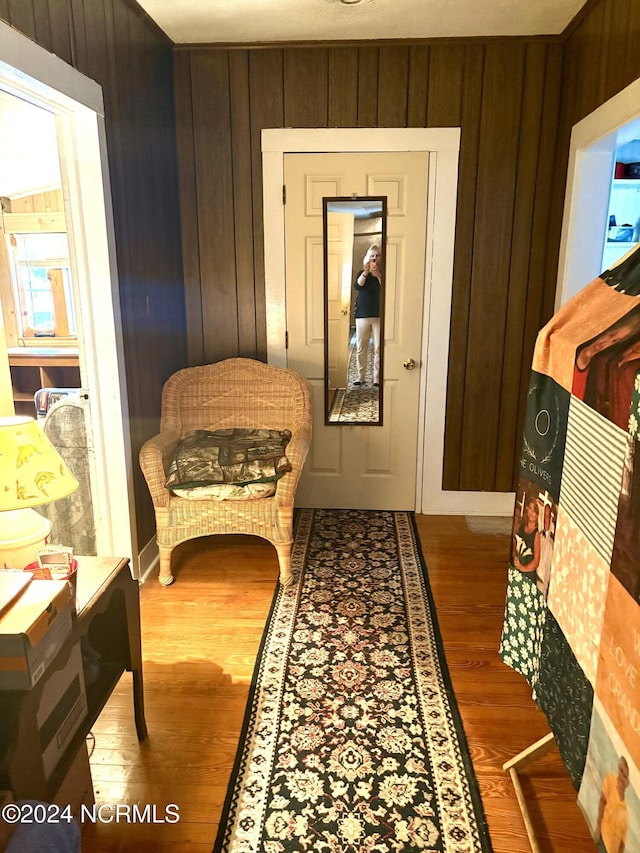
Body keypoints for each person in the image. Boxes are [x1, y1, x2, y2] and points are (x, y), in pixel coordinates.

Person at [353, 244, 382, 387]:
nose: (375, 259)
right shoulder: (361, 273)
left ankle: (377, 377)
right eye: (372, 256)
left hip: (379, 315)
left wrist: (378, 276)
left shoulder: (383, 273)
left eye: (377, 256)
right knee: (361, 347)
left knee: (379, 348)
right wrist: (366, 273)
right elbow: (358, 286)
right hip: (363, 314)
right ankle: (361, 375)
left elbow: (387, 290)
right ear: (367, 258)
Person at [596, 756, 630, 853]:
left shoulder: (625, 812)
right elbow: (602, 801)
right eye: (621, 770)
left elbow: (622, 844)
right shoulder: (610, 779)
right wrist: (598, 827)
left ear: (627, 783)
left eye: (625, 776)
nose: (621, 776)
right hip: (603, 838)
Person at [512, 497, 540, 583]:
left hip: (528, 576)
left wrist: (522, 567)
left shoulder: (537, 534)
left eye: (535, 511)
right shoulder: (521, 526)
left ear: (538, 515)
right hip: (517, 571)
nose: (532, 513)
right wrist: (515, 556)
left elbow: (536, 561)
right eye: (530, 509)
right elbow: (515, 542)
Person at [536, 503, 554, 599]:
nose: (545, 519)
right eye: (544, 516)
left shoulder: (552, 542)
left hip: (543, 583)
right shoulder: (538, 537)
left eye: (547, 516)